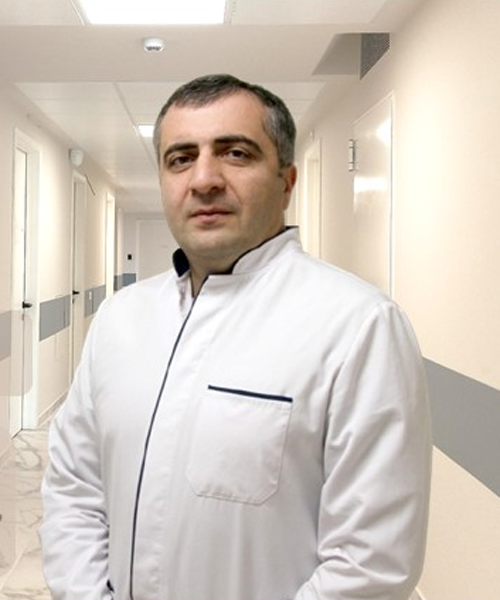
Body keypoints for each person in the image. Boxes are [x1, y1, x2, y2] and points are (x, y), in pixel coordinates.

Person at [40, 74, 432, 600]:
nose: (204, 179)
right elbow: (74, 488)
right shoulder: (120, 319)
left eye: (236, 153)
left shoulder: (358, 327)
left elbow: (371, 562)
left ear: (287, 181)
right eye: (181, 158)